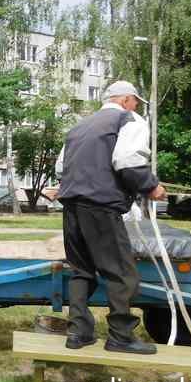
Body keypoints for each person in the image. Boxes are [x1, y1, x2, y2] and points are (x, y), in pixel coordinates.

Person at [55, 80, 167, 355]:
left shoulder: (79, 126)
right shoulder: (130, 120)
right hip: (101, 206)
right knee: (121, 274)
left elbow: (61, 168)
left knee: (81, 271)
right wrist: (151, 185)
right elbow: (127, 160)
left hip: (71, 206)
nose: (137, 105)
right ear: (125, 100)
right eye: (136, 100)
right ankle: (120, 336)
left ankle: (78, 332)